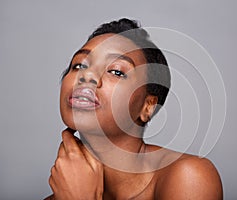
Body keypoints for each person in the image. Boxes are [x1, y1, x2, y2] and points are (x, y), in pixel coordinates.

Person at [45, 18, 223, 200]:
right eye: (79, 65)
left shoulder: (189, 177)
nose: (87, 75)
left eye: (116, 71)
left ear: (147, 107)